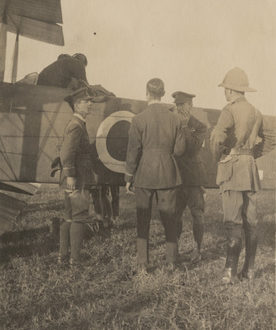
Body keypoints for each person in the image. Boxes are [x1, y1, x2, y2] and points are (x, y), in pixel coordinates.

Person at [125, 78, 187, 271]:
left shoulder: (138, 119)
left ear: (147, 94)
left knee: (143, 219)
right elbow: (179, 150)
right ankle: (171, 262)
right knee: (170, 218)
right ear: (163, 93)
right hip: (168, 174)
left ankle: (142, 264)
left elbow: (133, 151)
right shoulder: (176, 119)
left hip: (144, 174)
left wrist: (129, 177)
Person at [210, 67, 262, 284]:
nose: (225, 93)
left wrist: (219, 157)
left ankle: (229, 272)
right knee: (251, 221)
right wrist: (252, 154)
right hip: (249, 169)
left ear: (231, 91)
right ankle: (249, 270)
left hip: (232, 169)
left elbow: (216, 138)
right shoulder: (256, 112)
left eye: (226, 89)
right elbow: (270, 136)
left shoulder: (228, 110)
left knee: (233, 221)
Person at [59, 87, 95, 267]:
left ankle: (63, 257)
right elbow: (66, 153)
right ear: (77, 104)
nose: (90, 104)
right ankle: (75, 260)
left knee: (69, 217)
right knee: (79, 217)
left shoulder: (77, 123)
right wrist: (71, 175)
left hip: (73, 177)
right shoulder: (76, 125)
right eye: (86, 101)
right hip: (77, 178)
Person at [171, 91, 207, 262]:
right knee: (174, 214)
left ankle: (197, 249)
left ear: (190, 106)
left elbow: (192, 148)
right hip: (175, 177)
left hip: (193, 179)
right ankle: (174, 250)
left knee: (197, 214)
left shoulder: (199, 126)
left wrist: (184, 127)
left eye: (182, 105)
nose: (179, 108)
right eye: (177, 105)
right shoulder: (169, 122)